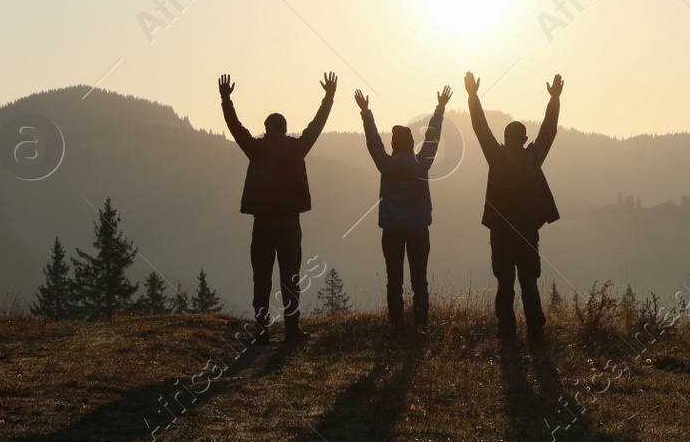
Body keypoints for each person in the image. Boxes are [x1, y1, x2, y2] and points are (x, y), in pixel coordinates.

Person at [218, 71, 336, 343]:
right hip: (289, 222)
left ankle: (261, 331)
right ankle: (292, 330)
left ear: (266, 128)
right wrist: (328, 97)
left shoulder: (256, 149)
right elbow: (316, 126)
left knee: (262, 276)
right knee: (290, 277)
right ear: (284, 128)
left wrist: (226, 99)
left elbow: (235, 127)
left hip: (262, 222)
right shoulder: (296, 148)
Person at [466, 70, 562, 343]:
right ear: (523, 139)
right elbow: (548, 131)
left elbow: (480, 128)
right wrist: (554, 99)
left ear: (505, 139)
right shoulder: (534, 158)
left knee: (505, 284)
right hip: (528, 233)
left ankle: (506, 330)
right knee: (529, 283)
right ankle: (535, 330)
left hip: (501, 234)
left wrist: (473, 95)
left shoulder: (496, 158)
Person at [358, 84, 450, 335]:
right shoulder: (422, 164)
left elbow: (373, 143)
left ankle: (396, 324)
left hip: (392, 230)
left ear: (394, 145)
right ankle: (421, 324)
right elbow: (432, 138)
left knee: (394, 279)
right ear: (411, 144)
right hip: (419, 229)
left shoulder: (386, 165)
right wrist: (440, 108)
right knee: (420, 280)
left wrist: (366, 112)